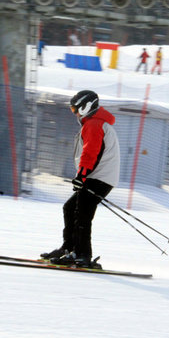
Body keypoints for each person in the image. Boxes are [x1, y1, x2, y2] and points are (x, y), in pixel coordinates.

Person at [40, 90, 120, 268]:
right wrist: (83, 176)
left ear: (86, 107)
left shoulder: (94, 124)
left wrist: (82, 175)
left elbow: (91, 152)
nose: (74, 113)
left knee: (82, 213)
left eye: (75, 109)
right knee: (70, 208)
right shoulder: (95, 123)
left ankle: (82, 255)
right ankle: (69, 249)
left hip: (99, 177)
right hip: (99, 176)